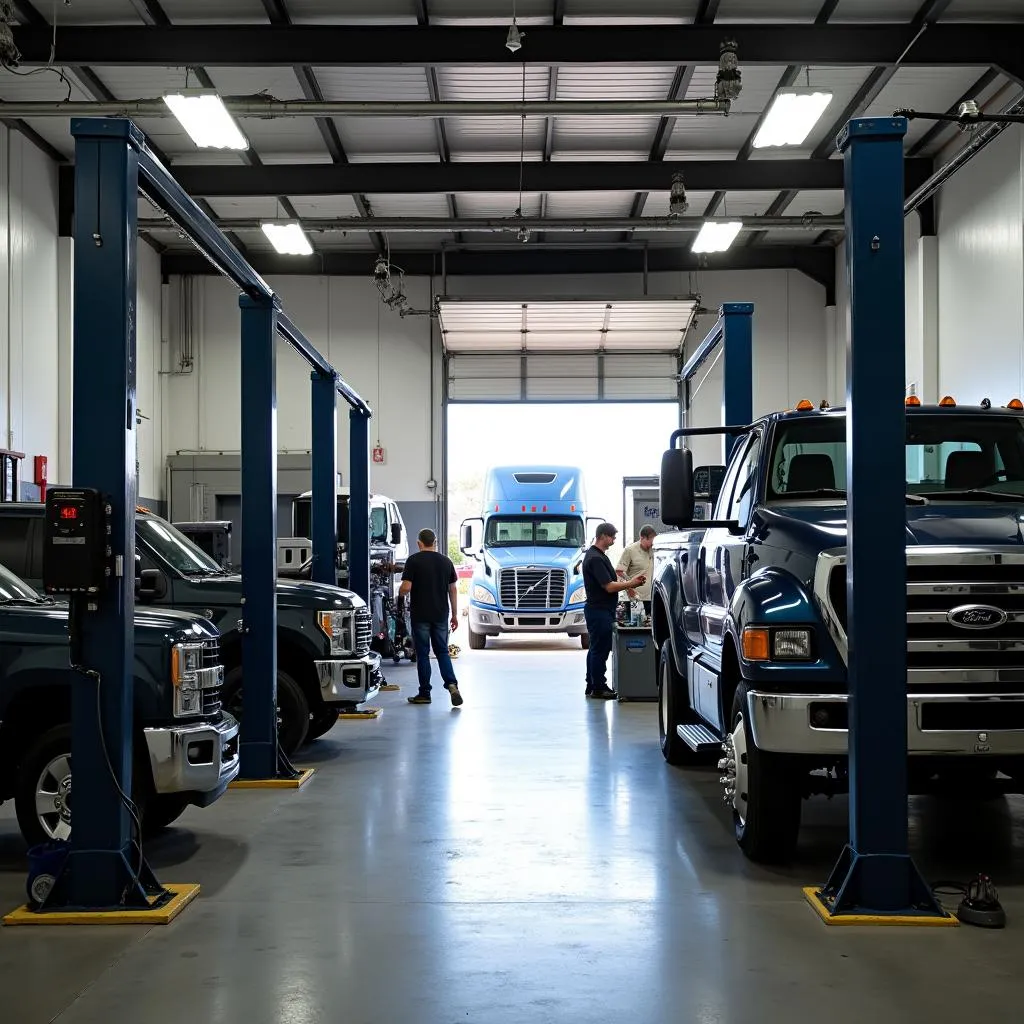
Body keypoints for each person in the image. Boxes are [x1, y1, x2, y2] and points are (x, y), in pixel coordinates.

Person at [582, 522, 647, 700]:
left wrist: (628, 582)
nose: (613, 540)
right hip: (599, 610)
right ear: (603, 536)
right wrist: (631, 584)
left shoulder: (597, 555)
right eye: (612, 537)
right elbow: (609, 587)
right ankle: (599, 687)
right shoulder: (595, 558)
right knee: (600, 650)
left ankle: (592, 684)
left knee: (595, 648)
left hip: (600, 609)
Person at [400, 528, 464, 707]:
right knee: (442, 651)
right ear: (435, 542)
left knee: (423, 654)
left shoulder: (413, 561)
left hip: (420, 614)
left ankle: (425, 693)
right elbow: (453, 589)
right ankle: (452, 685)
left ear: (419, 543)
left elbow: (406, 587)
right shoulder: (446, 561)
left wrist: (400, 593)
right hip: (441, 614)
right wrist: (455, 614)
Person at [616, 524, 657, 616]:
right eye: (650, 541)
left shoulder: (654, 550)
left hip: (651, 598)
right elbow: (619, 572)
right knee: (636, 626)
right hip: (634, 597)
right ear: (642, 538)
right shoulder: (630, 550)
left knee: (650, 626)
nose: (651, 545)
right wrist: (628, 587)